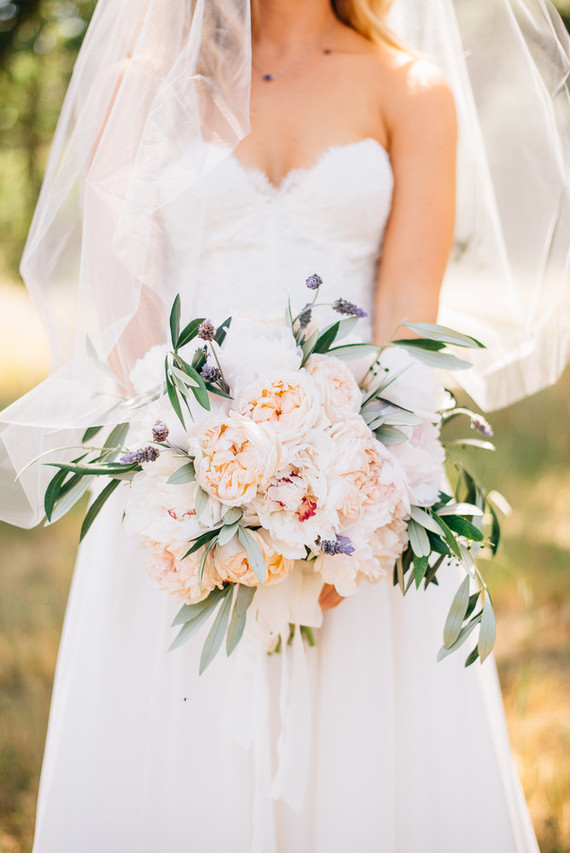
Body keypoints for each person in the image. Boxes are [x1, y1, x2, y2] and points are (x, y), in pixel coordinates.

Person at [1, 0, 569, 851]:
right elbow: (125, 320)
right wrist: (208, 483)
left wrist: (347, 495)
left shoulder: (411, 91)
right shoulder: (142, 86)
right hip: (179, 488)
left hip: (357, 495)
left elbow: (408, 331)